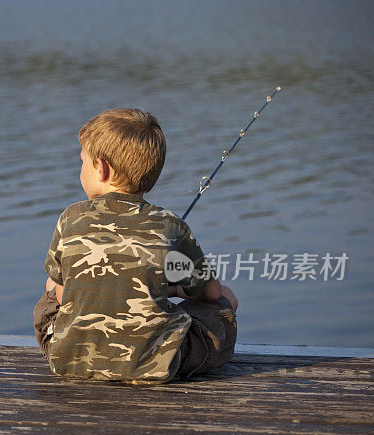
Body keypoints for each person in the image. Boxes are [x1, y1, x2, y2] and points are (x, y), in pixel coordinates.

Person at [33, 108, 238, 384]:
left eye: (82, 162)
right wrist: (173, 288)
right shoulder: (170, 225)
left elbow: (60, 296)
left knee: (51, 284)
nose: (80, 170)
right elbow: (211, 293)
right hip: (155, 365)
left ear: (101, 168)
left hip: (69, 360)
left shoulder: (71, 217)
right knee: (227, 299)